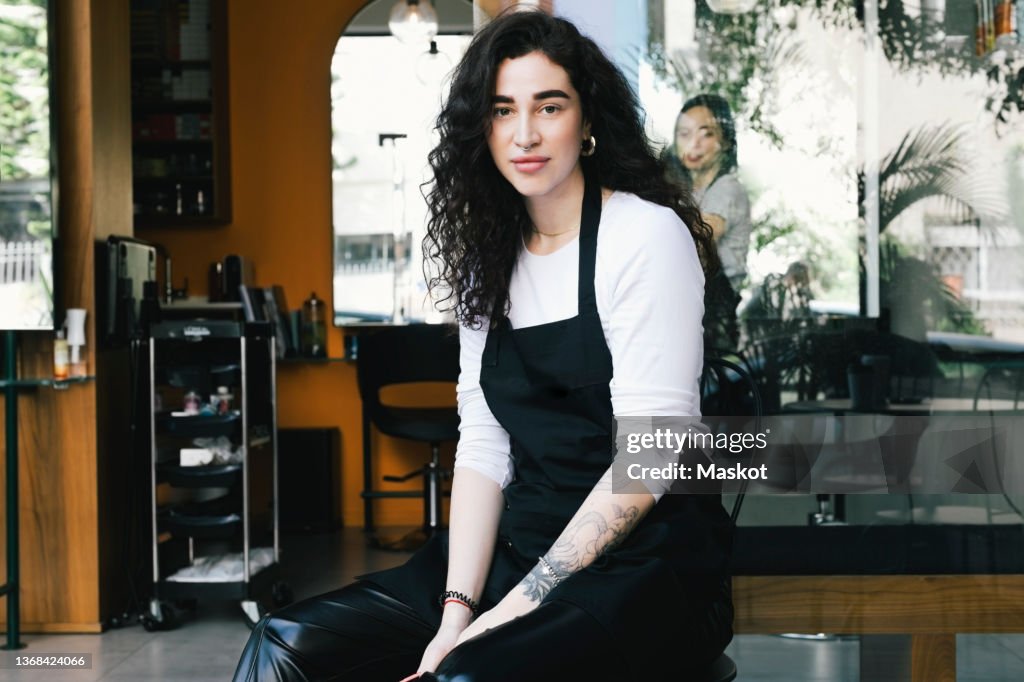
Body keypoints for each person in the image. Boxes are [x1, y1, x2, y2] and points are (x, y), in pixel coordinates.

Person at [232, 10, 734, 682]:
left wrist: (512, 611)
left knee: (469, 675)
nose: (524, 133)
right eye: (502, 110)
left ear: (587, 124)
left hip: (641, 567)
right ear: (482, 130)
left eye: (548, 106)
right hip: (518, 541)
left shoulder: (642, 234)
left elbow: (653, 453)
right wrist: (456, 612)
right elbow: (484, 444)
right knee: (285, 641)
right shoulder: (486, 262)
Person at [663, 94, 752, 353]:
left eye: (707, 134)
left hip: (713, 319)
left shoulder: (726, 188)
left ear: (724, 141)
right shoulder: (690, 191)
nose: (694, 143)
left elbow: (700, 242)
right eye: (684, 134)